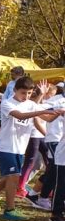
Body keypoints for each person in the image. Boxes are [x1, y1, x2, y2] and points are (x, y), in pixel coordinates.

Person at [0, 77, 62, 221]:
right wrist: (39, 110)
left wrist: (58, 113)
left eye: (29, 93)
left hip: (20, 147)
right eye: (23, 93)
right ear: (15, 90)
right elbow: (20, 115)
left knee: (10, 177)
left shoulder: (30, 104)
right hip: (7, 146)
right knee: (14, 177)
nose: (26, 97)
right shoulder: (7, 103)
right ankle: (9, 209)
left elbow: (47, 119)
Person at [29, 81, 65, 210]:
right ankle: (43, 197)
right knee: (56, 170)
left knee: (52, 169)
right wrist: (41, 96)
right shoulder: (57, 100)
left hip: (60, 140)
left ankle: (34, 195)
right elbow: (36, 109)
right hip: (55, 139)